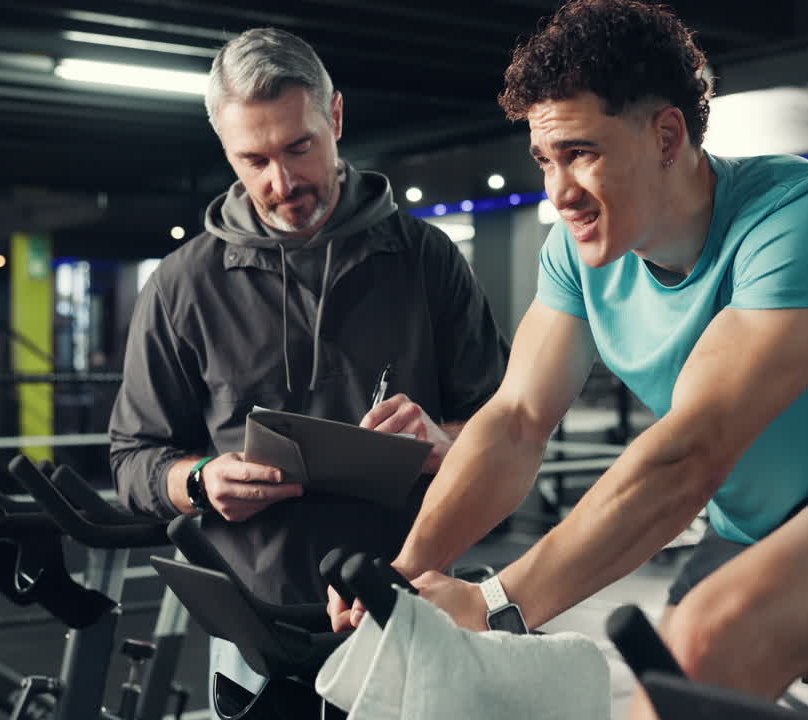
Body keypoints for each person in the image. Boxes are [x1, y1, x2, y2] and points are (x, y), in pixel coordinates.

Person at [328, 0, 808, 716]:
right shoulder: (577, 257)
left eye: (582, 153)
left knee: (703, 642)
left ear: (667, 135)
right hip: (746, 525)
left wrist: (494, 604)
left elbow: (691, 454)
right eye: (546, 159)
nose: (558, 191)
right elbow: (515, 421)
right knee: (665, 680)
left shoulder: (804, 216)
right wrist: (406, 574)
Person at [109, 27, 508, 696]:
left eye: (300, 148)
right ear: (226, 152)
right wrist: (202, 481)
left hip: (409, 603)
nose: (283, 181)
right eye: (254, 160)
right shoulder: (182, 285)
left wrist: (447, 443)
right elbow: (131, 459)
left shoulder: (425, 259)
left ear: (337, 118)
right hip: (254, 628)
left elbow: (506, 427)